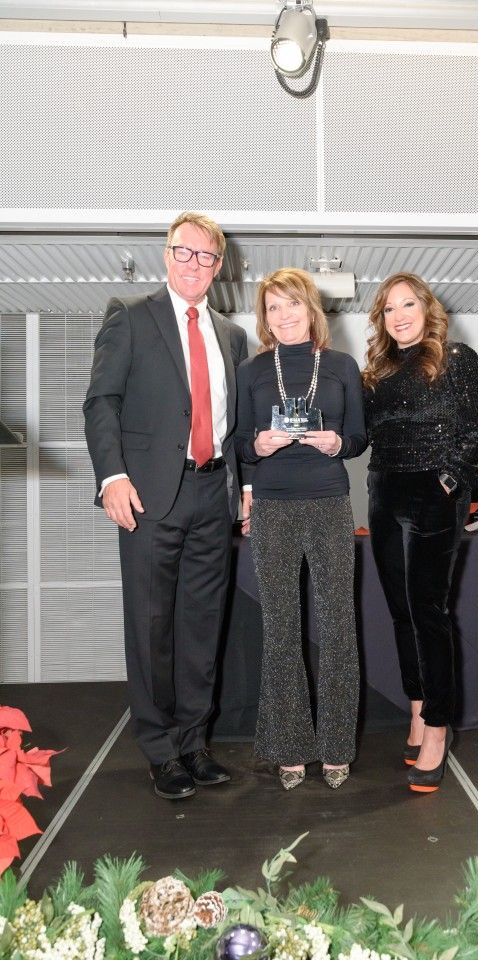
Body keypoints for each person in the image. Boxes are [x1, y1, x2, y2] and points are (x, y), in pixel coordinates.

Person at [83, 212, 248, 800]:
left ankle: (193, 742)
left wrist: (244, 488)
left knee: (202, 624)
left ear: (218, 265)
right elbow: (101, 403)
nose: (194, 264)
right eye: (185, 252)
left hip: (212, 491)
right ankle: (159, 750)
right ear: (166, 254)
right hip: (150, 493)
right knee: (152, 623)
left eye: (207, 256)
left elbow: (232, 424)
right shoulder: (129, 317)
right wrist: (112, 477)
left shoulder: (231, 335)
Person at [362, 272, 478, 793]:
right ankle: (417, 712)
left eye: (408, 304)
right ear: (381, 319)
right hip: (383, 492)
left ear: (426, 308)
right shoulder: (377, 372)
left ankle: (438, 729)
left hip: (435, 495)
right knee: (400, 611)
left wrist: (447, 481)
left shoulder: (456, 359)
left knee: (428, 612)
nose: (399, 315)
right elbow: (359, 437)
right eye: (389, 308)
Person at [236, 268, 366, 790]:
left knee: (337, 626)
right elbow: (238, 444)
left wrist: (337, 443)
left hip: (330, 500)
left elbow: (358, 436)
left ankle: (336, 747)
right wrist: (256, 448)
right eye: (273, 307)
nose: (284, 316)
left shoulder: (340, 367)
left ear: (311, 310)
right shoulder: (250, 371)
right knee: (282, 630)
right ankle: (290, 747)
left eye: (292, 305)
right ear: (264, 317)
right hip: (272, 505)